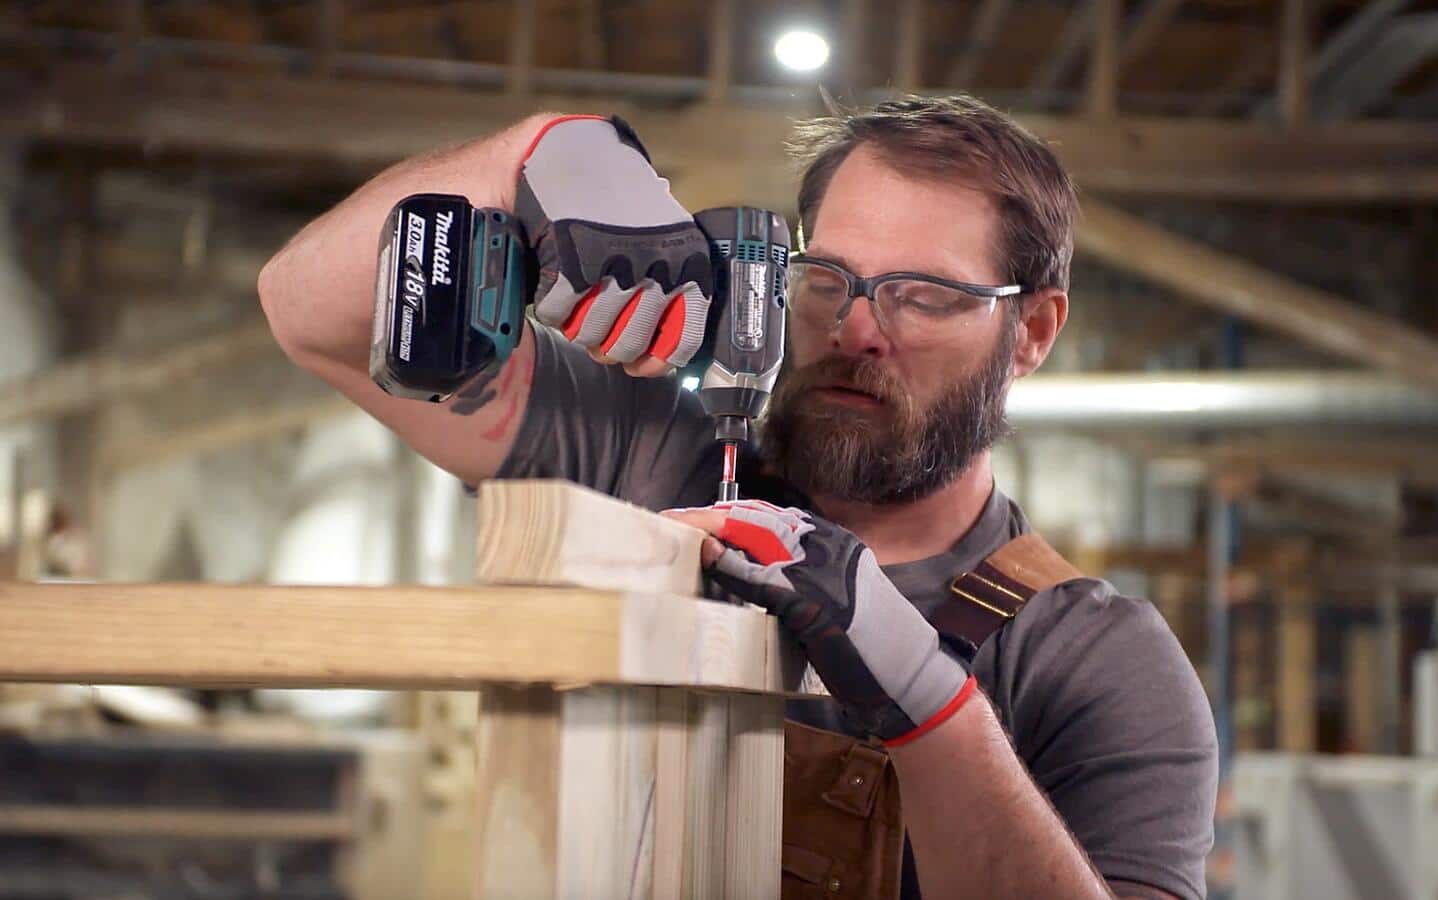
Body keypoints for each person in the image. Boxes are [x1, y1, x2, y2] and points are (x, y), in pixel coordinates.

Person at [260, 97, 1218, 900]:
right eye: (827, 279)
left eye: (921, 295)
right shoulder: (648, 454)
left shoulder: (1095, 664)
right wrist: (542, 153)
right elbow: (310, 313)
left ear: (1031, 332)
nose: (855, 330)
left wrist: (932, 706)